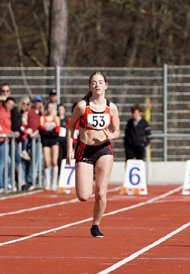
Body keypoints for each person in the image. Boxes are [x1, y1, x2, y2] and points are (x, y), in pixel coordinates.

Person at [66, 72, 120, 238]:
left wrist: (112, 135)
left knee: (101, 193)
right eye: (94, 83)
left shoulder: (112, 107)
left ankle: (95, 225)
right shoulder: (82, 106)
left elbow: (117, 130)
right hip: (85, 149)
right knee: (83, 196)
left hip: (104, 149)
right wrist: (70, 149)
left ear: (106, 85)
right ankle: (92, 213)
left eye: (100, 82)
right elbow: (70, 127)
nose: (97, 85)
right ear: (90, 86)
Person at [0, 97, 14, 193]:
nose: (10, 106)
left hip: (7, 139)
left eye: (12, 104)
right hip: (1, 139)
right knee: (2, 162)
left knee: (8, 161)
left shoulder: (8, 112)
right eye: (8, 103)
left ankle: (7, 182)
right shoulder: (1, 111)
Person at [39, 102, 60, 191]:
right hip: (45, 141)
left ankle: (54, 183)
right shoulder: (42, 118)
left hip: (54, 141)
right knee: (47, 162)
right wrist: (50, 133)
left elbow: (57, 131)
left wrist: (48, 133)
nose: (50, 109)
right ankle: (47, 183)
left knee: (55, 161)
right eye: (49, 107)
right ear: (46, 108)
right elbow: (42, 131)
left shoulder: (56, 118)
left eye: (52, 107)